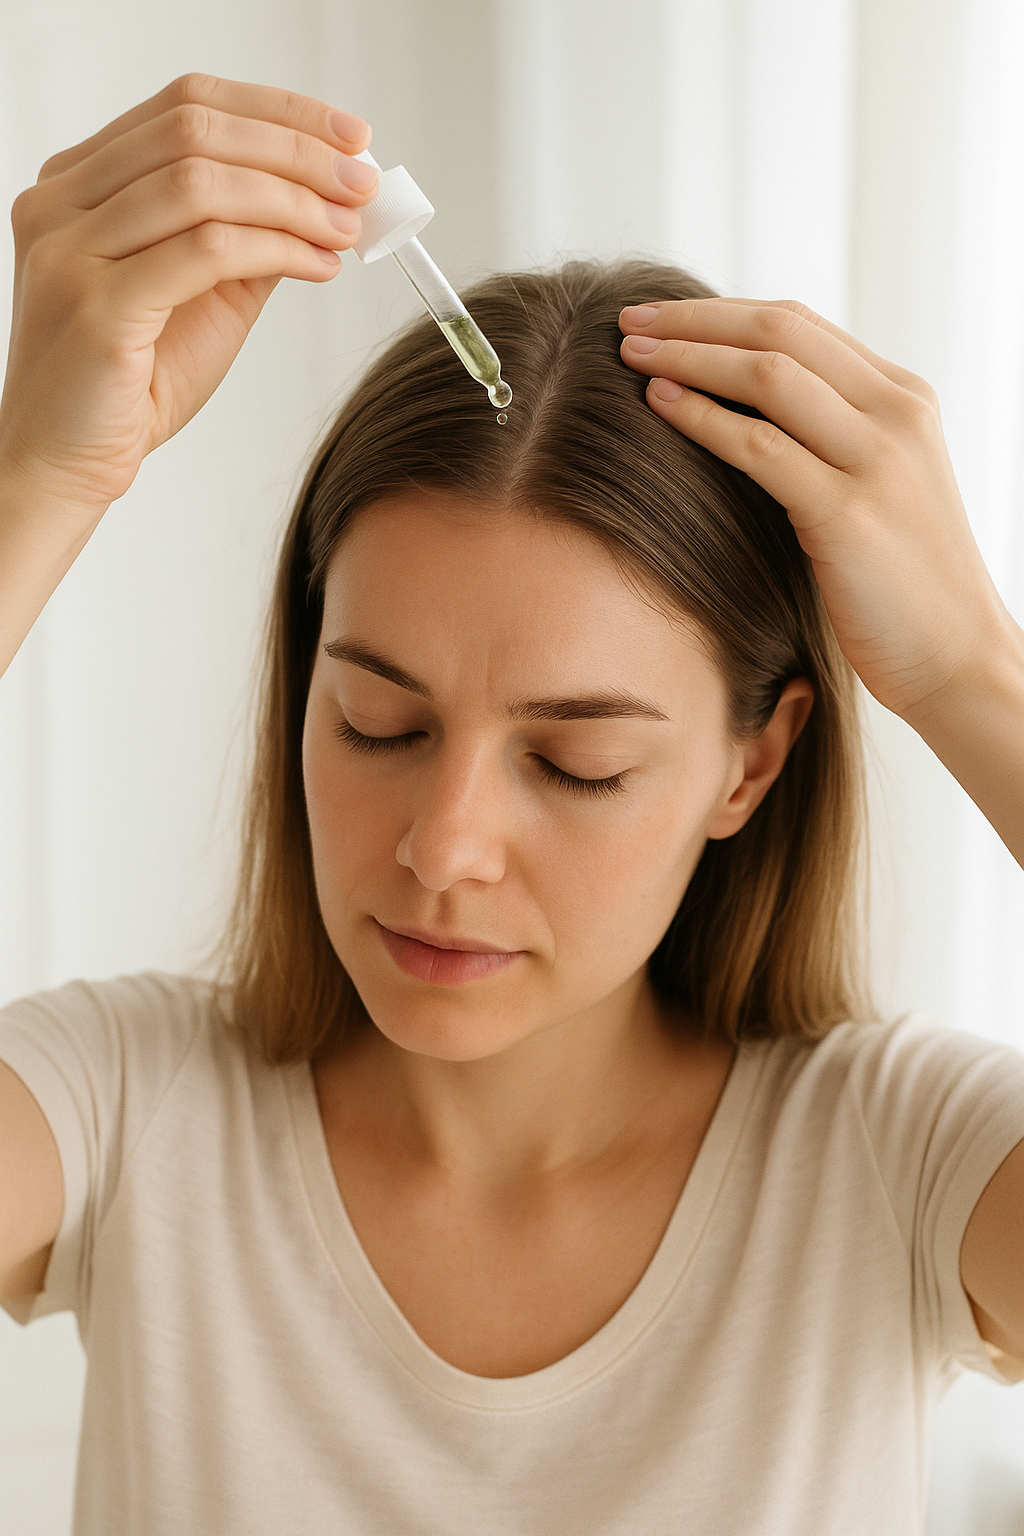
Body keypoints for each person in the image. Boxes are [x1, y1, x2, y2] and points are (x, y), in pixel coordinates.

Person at [1, 73, 1023, 1536]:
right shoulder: (122, 1111)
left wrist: (977, 675)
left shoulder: (895, 1160)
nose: (443, 846)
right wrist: (34, 478)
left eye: (576, 764)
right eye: (379, 722)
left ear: (754, 762)